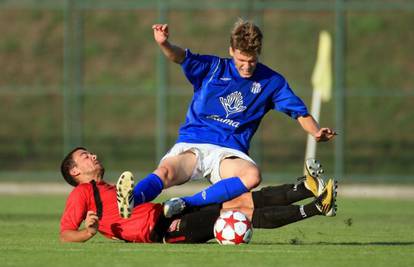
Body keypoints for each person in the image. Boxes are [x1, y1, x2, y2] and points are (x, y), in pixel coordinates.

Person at [117, 19, 336, 219]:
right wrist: (164, 43)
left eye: (252, 60)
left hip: (228, 153)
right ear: (231, 51)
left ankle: (184, 204)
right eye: (241, 59)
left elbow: (300, 112)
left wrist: (315, 131)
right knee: (165, 172)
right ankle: (131, 199)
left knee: (252, 175)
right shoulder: (213, 68)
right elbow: (180, 56)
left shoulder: (272, 81)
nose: (246, 66)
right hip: (194, 143)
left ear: (258, 54)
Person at [60, 147, 337, 243]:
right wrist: (88, 232)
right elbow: (65, 233)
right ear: (74, 171)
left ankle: (306, 189)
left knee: (238, 201)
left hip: (165, 214)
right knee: (237, 215)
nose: (92, 156)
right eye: (85, 156)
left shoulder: (106, 188)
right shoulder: (83, 193)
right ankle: (316, 208)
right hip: (164, 232)